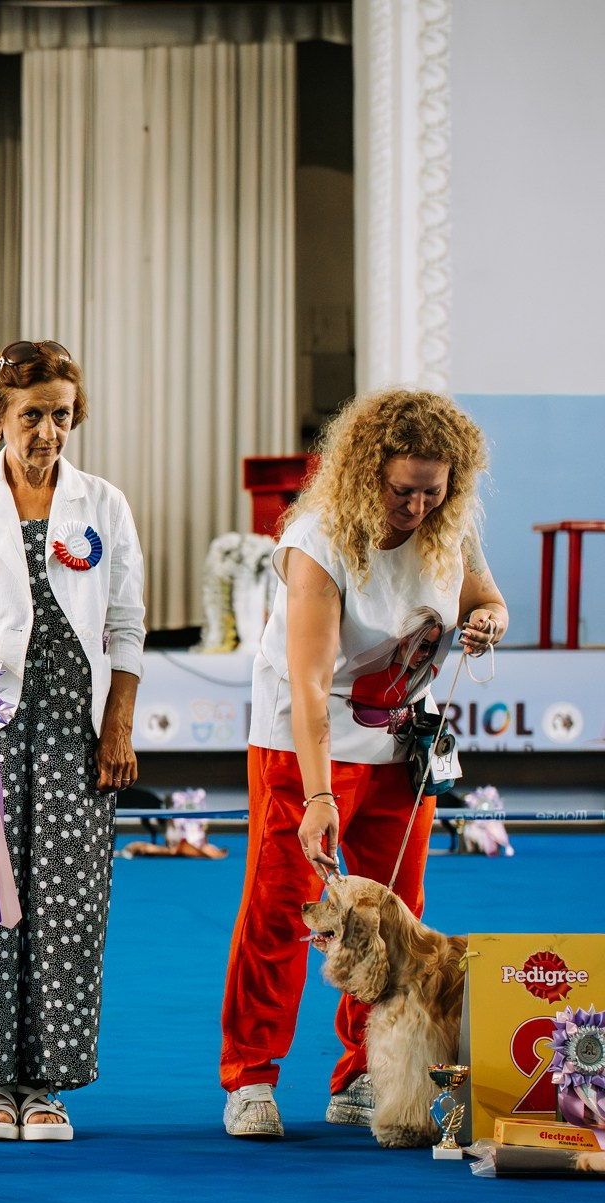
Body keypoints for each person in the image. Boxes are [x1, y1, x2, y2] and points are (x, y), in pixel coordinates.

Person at [220, 389, 506, 1139]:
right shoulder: (317, 537)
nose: (414, 506)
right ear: (365, 471)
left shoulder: (450, 526)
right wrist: (318, 795)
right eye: (401, 488)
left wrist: (487, 621)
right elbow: (311, 684)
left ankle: (359, 1075)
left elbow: (486, 596)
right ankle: (251, 1076)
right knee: (286, 908)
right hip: (304, 742)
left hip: (400, 745)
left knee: (394, 922)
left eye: (430, 491)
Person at [0, 340, 145, 1142]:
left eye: (60, 414)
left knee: (70, 902)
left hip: (73, 728)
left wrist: (117, 723)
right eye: (31, 415)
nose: (47, 430)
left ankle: (48, 1086)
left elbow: (126, 625)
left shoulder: (103, 504)